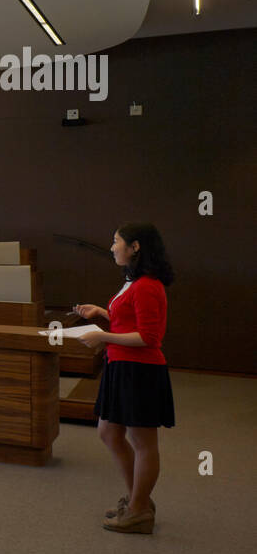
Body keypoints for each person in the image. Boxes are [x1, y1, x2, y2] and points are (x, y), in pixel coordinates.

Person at [74, 223, 175, 535]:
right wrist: (103, 313)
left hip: (140, 371)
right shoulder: (133, 281)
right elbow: (128, 320)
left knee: (143, 443)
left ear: (135, 247)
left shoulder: (147, 285)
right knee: (108, 433)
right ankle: (138, 501)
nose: (111, 247)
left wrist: (103, 335)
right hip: (121, 366)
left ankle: (139, 509)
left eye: (116, 241)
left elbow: (149, 337)